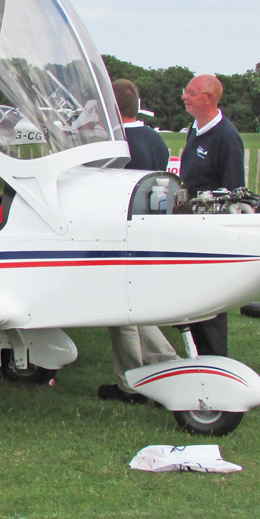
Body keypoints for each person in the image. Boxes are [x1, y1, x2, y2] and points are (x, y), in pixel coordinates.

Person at [99, 79, 179, 404]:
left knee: (125, 313)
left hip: (119, 234)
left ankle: (141, 377)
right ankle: (149, 373)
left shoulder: (112, 146)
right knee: (133, 310)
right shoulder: (157, 141)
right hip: (151, 231)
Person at [179, 74, 245, 357]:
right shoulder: (194, 130)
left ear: (208, 98)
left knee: (208, 299)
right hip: (188, 226)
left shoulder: (228, 139)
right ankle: (194, 352)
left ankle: (214, 357)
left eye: (191, 93)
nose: (185, 96)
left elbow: (233, 192)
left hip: (209, 232)